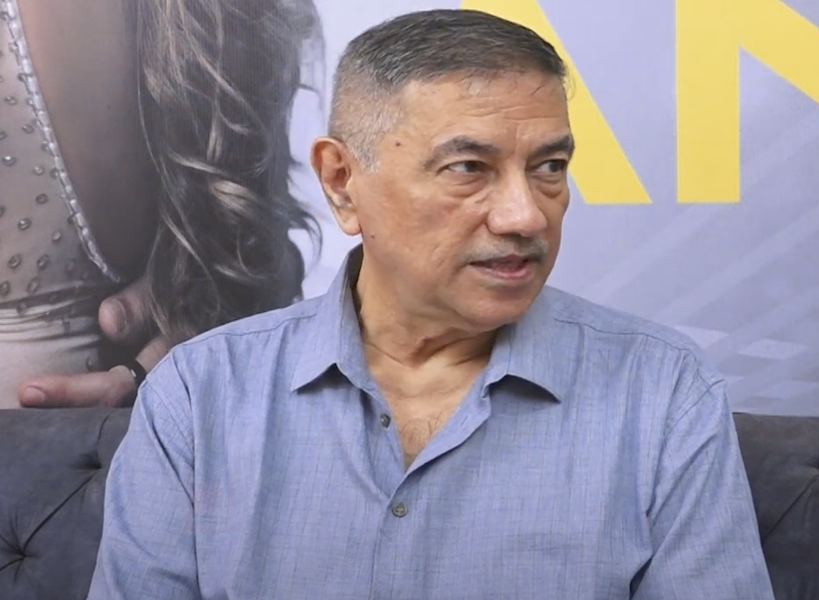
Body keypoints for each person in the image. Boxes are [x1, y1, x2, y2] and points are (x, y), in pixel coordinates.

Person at [87, 9, 775, 599]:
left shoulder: (661, 391)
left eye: (549, 167)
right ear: (341, 181)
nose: (525, 216)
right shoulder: (200, 395)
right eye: (468, 168)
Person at [0, 0, 322, 409]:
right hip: (136, 427)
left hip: (132, 424)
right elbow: (258, 247)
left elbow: (253, 252)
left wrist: (204, 311)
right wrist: (209, 304)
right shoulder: (212, 19)